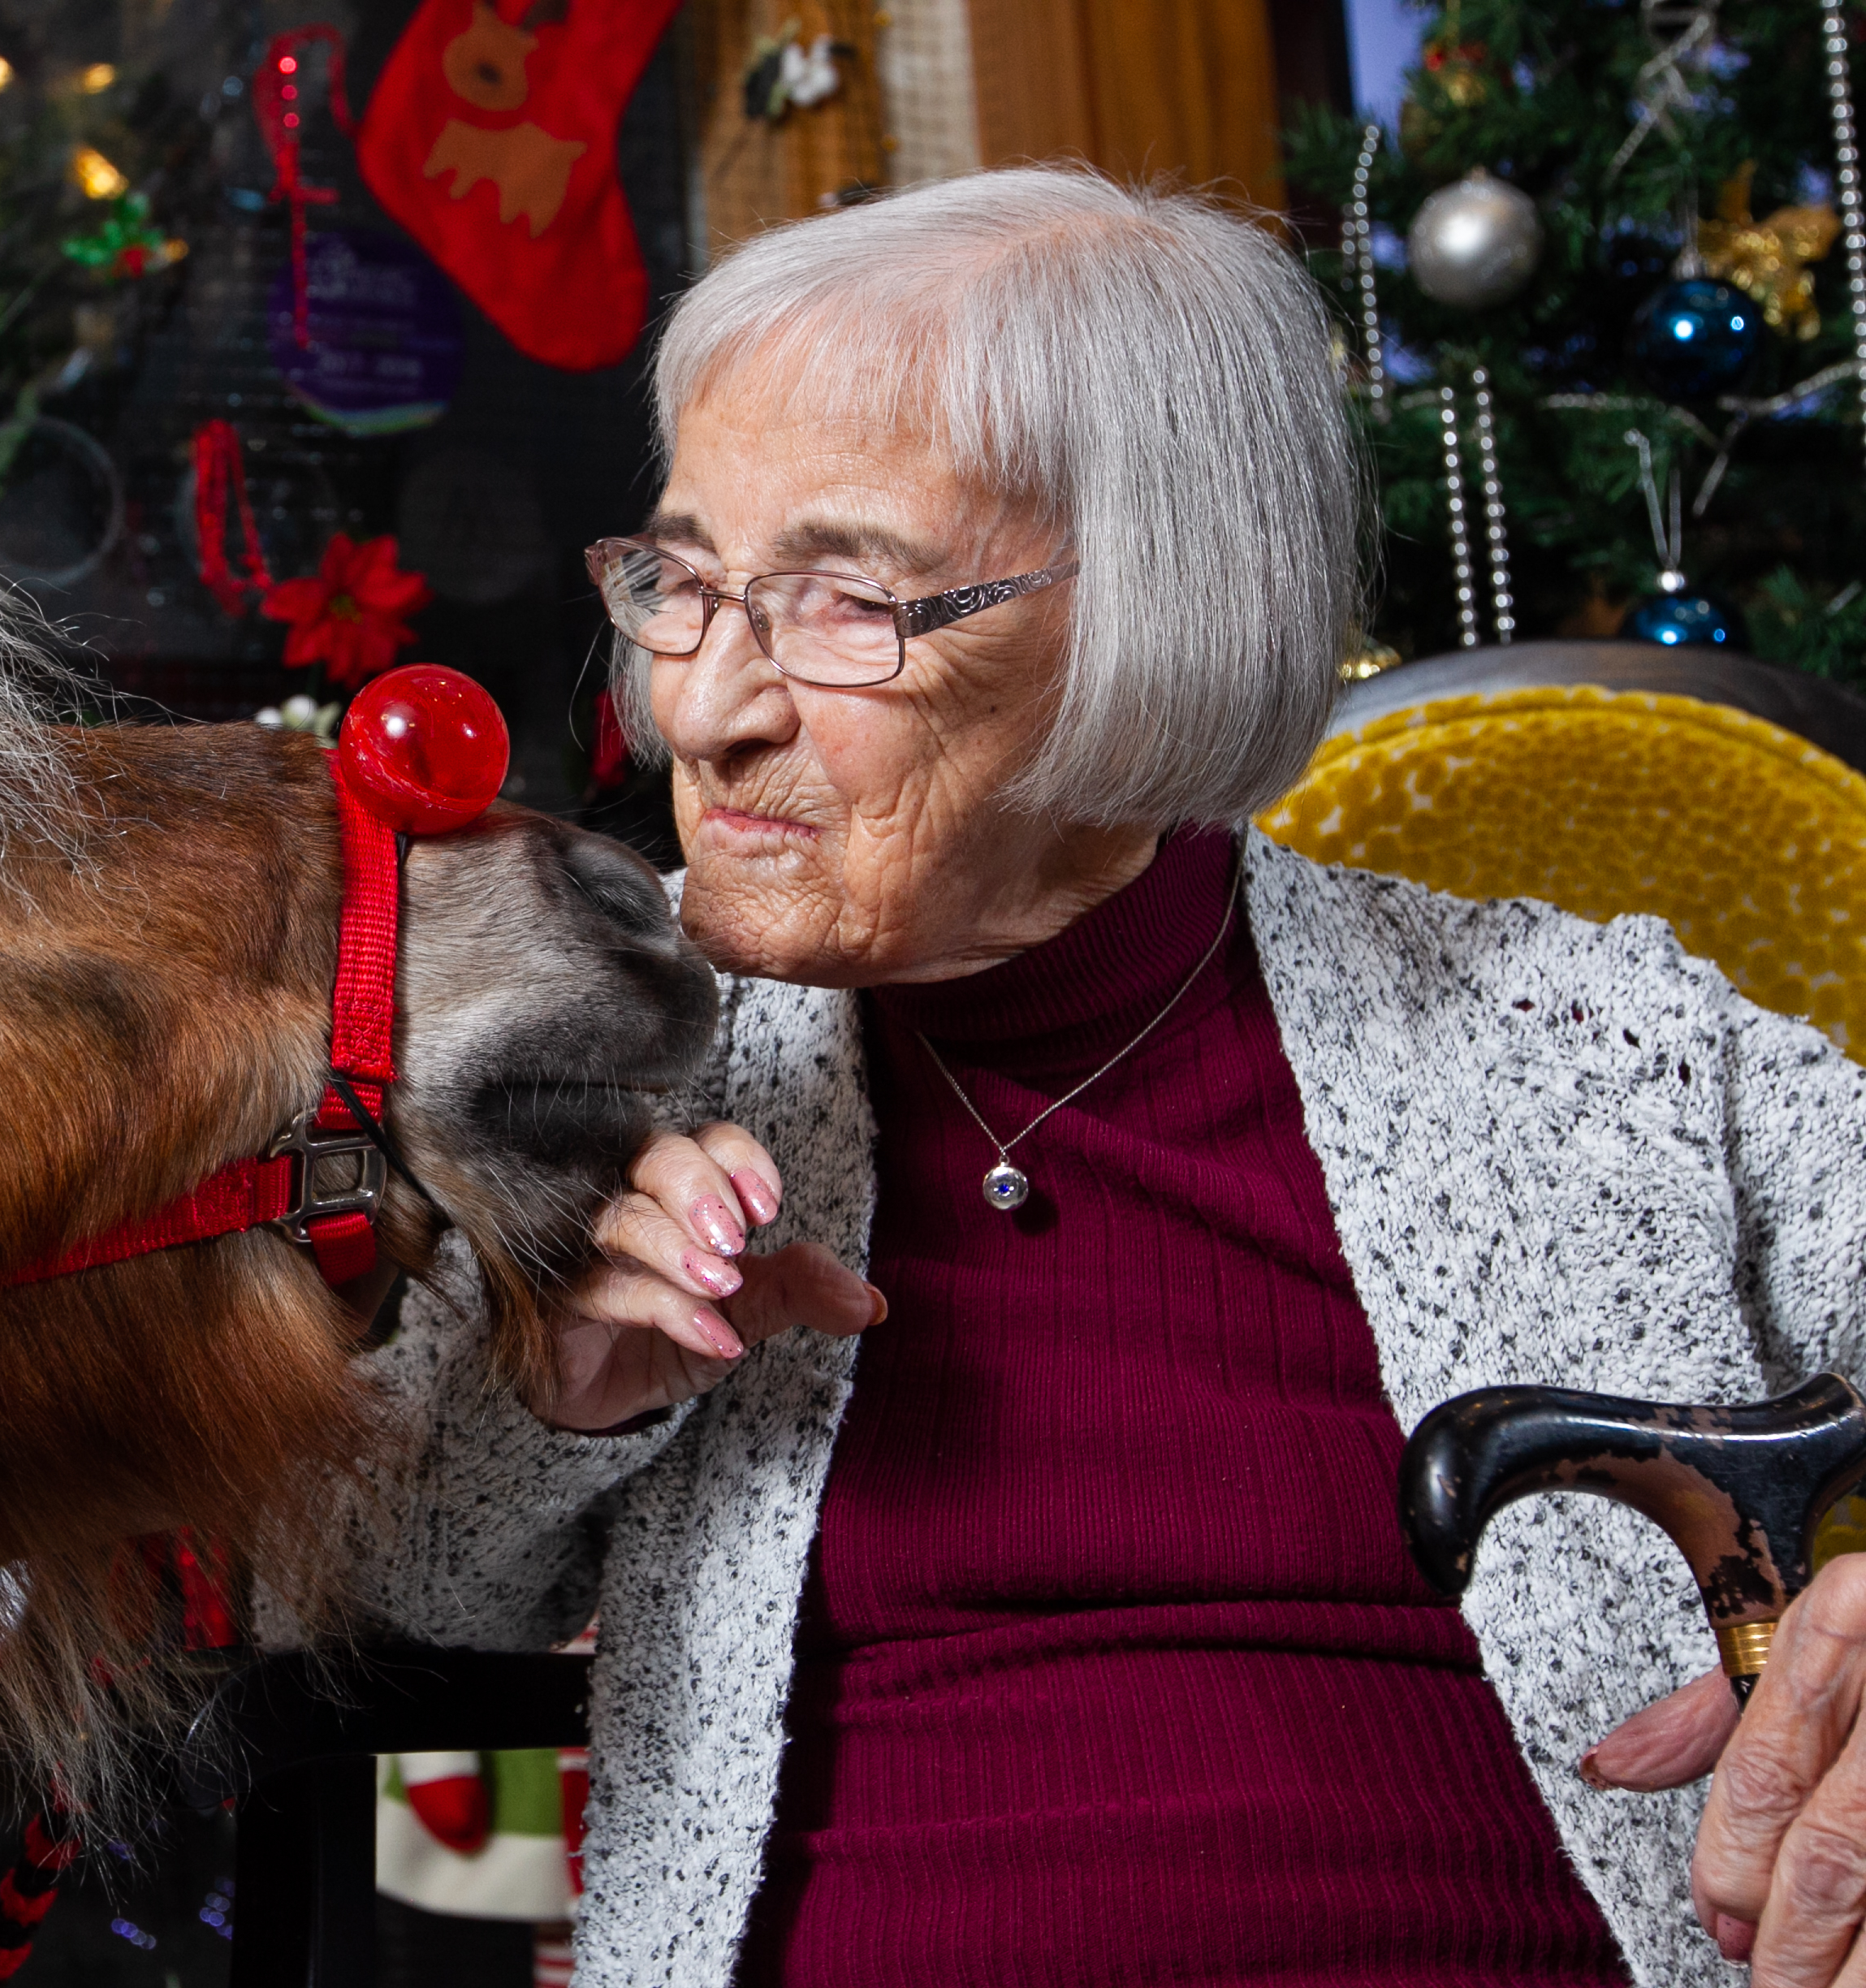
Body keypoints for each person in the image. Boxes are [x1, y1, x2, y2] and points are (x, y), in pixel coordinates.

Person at [358, 166, 1866, 1987]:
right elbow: (408, 1603)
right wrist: (560, 1396)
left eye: (848, 602)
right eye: (681, 581)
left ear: (1163, 606)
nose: (698, 707)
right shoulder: (587, 1041)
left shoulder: (1594, 1050)